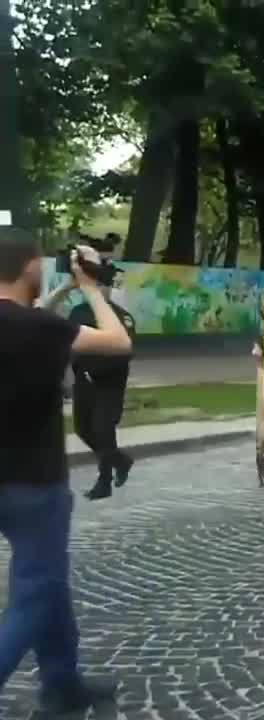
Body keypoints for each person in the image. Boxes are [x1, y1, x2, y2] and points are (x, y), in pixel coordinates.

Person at [1, 230, 130, 712]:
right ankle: (60, 685)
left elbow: (33, 321)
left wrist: (64, 291)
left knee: (46, 585)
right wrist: (92, 289)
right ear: (31, 266)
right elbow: (117, 342)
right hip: (34, 482)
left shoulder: (35, 327)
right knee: (35, 595)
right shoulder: (40, 332)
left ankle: (62, 686)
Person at [58, 274, 137, 500]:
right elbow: (68, 343)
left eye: (104, 285)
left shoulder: (122, 317)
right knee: (84, 429)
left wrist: (94, 366)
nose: (100, 289)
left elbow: (124, 352)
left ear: (110, 288)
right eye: (96, 284)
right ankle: (121, 461)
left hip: (109, 384)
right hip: (83, 380)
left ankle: (104, 482)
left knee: (103, 430)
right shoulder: (79, 313)